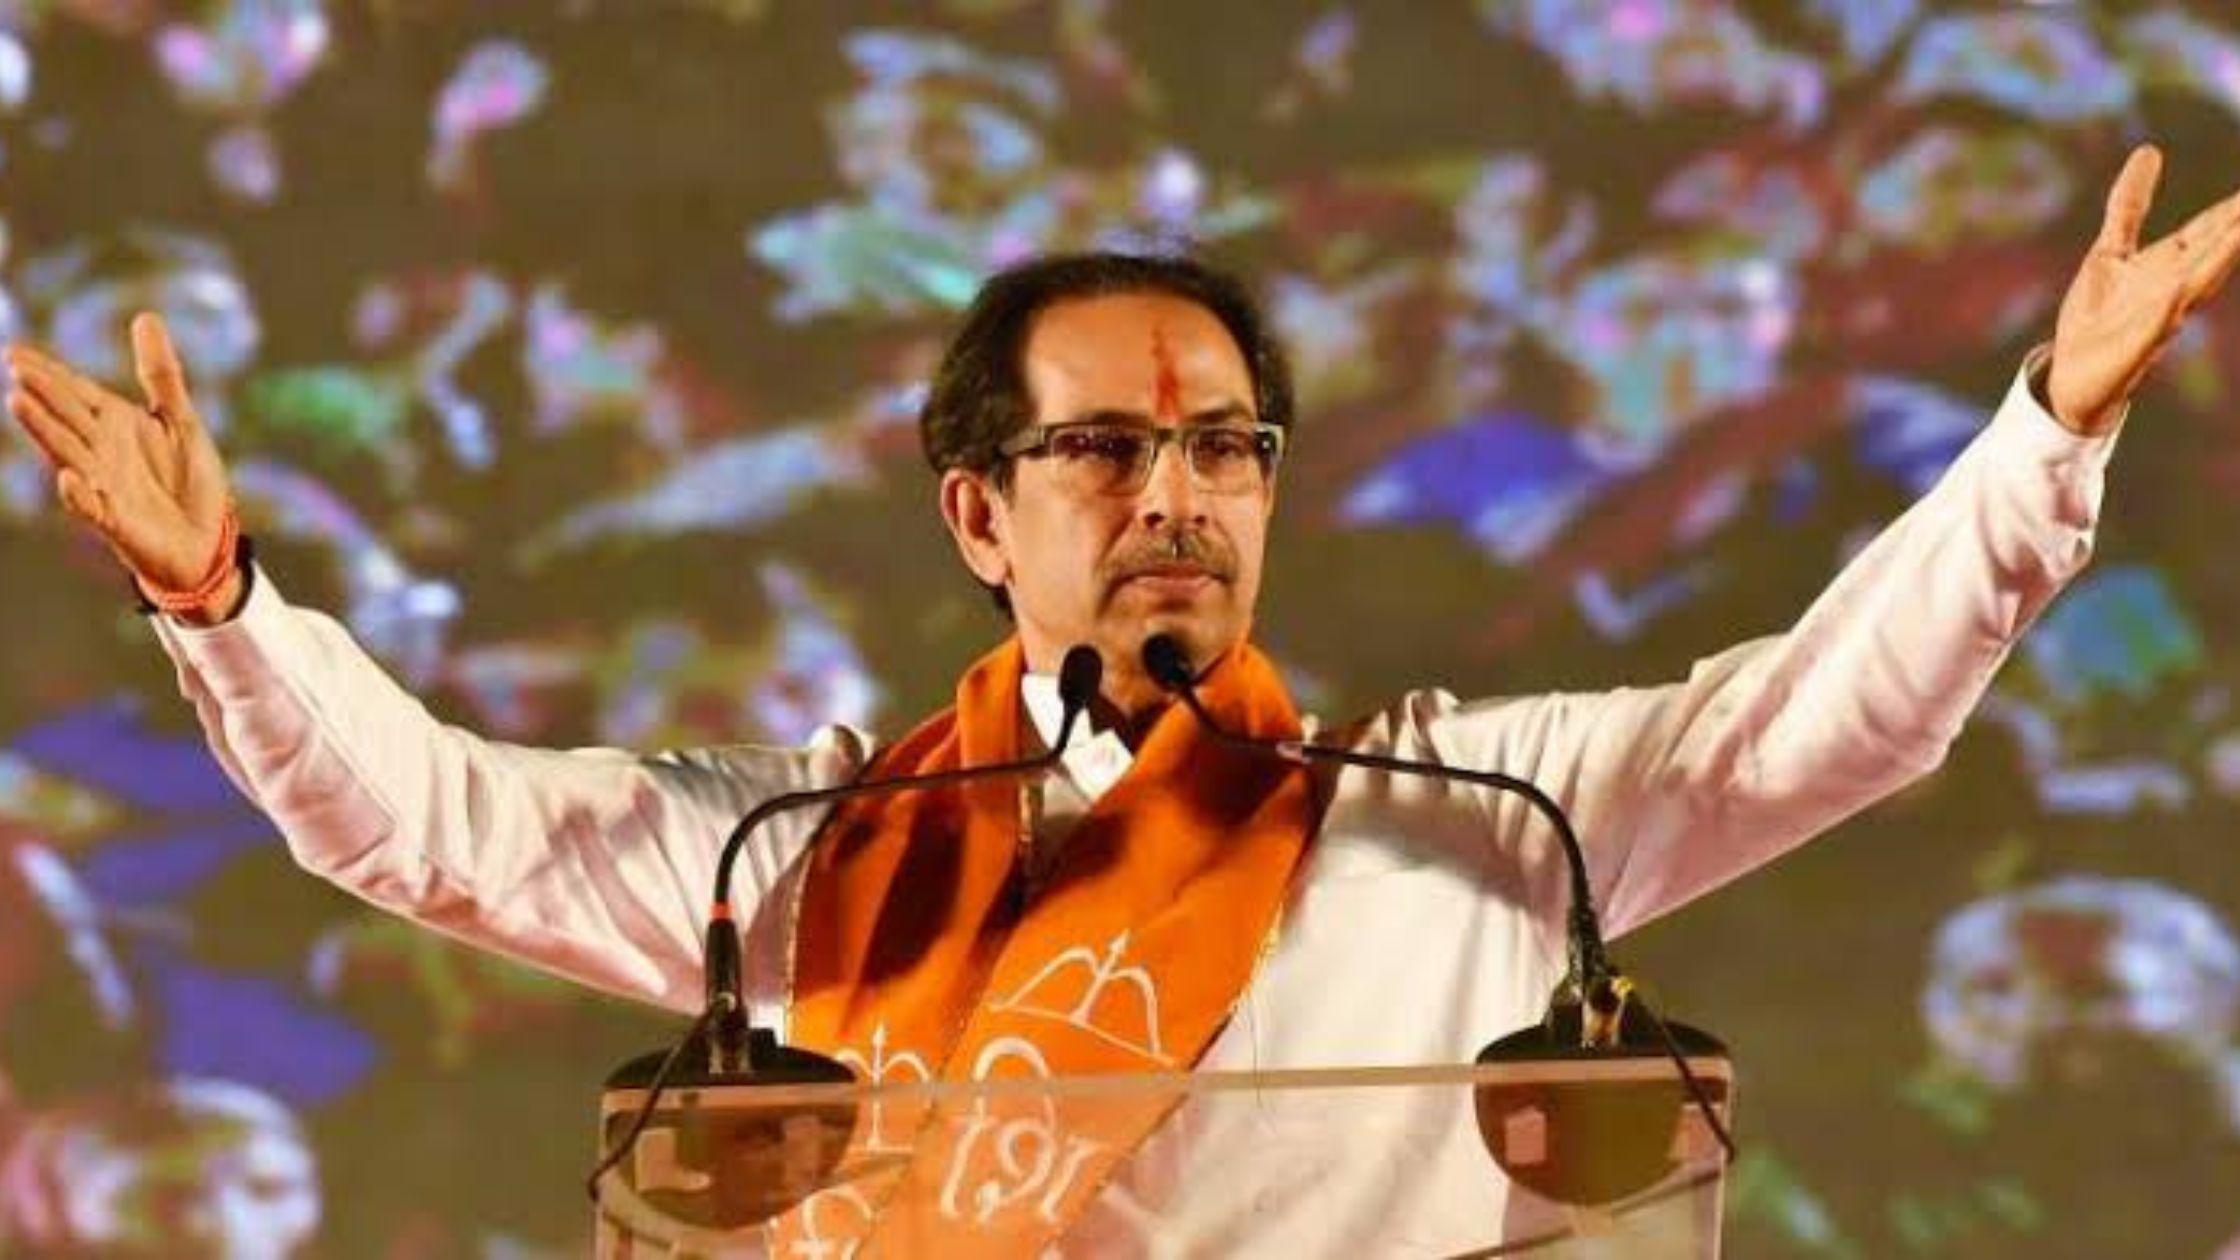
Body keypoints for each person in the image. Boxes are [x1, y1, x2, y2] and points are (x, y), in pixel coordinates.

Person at [7, 144, 2234, 1255]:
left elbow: (1831, 720)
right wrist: (221, 598)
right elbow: (424, 827)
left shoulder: (1480, 813)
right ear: (979, 511)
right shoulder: (801, 850)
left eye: (1227, 448)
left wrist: (2046, 431)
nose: (1178, 497)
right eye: (1105, 449)